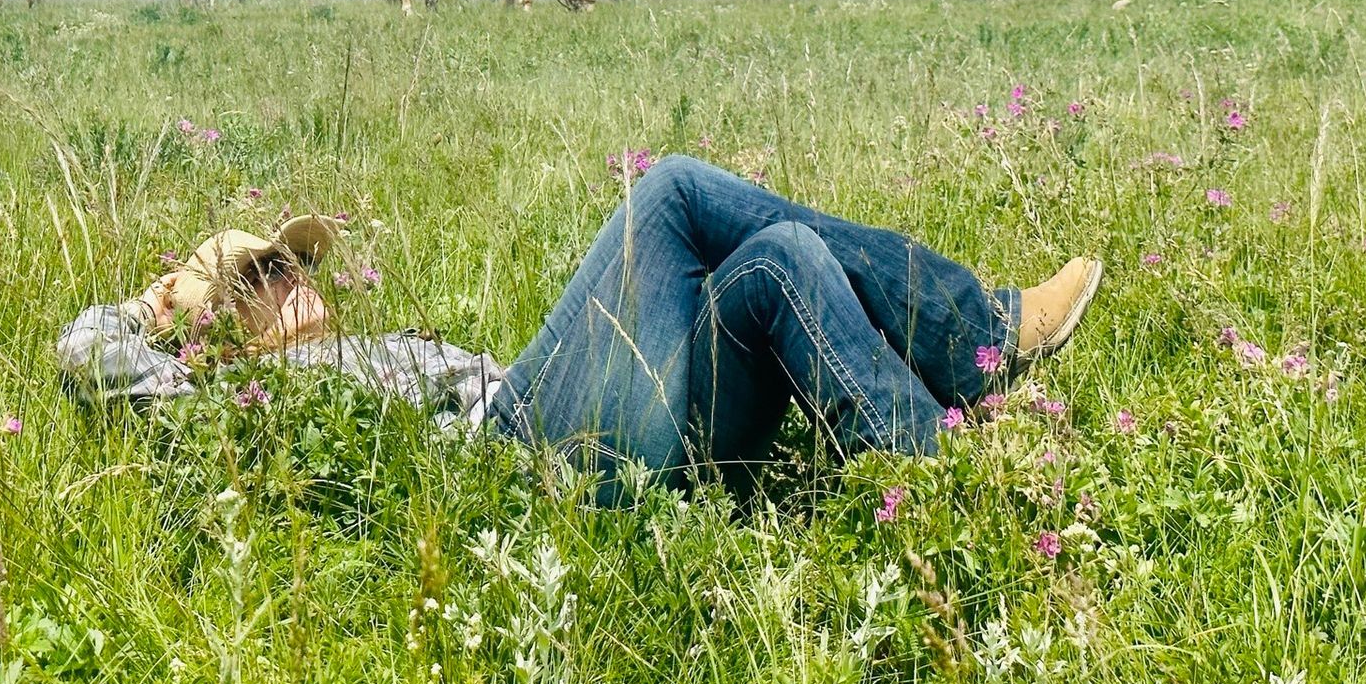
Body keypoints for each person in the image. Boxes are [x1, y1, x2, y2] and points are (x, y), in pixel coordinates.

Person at [59, 156, 1105, 501]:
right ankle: (989, 332)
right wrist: (151, 314)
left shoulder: (352, 354)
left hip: (600, 426)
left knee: (780, 265)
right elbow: (82, 360)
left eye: (293, 261)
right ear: (224, 326)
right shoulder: (243, 410)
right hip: (524, 456)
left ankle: (946, 472)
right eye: (265, 274)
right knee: (676, 191)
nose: (294, 277)